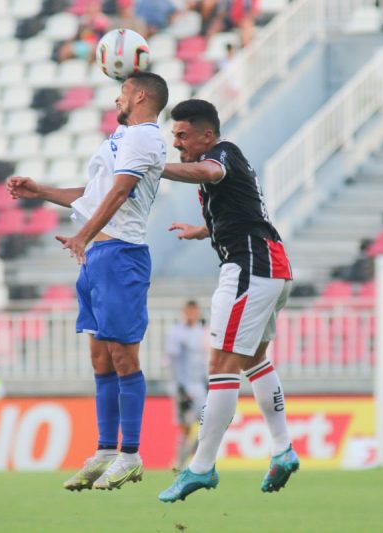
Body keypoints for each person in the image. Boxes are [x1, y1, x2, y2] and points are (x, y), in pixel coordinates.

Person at [6, 71, 169, 491]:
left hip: (121, 256)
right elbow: (97, 193)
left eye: (122, 92)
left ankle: (130, 454)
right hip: (98, 256)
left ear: (140, 95)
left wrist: (82, 234)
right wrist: (41, 191)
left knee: (123, 358)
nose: (117, 98)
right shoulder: (121, 139)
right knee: (100, 359)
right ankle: (104, 450)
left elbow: (118, 194)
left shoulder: (144, 136)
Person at [156, 99, 298, 503]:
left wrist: (153, 168)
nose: (177, 143)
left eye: (183, 135)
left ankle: (200, 466)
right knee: (253, 359)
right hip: (271, 265)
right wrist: (203, 231)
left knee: (220, 365)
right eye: (174, 136)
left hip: (250, 268)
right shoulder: (223, 162)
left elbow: (208, 170)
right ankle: (282, 448)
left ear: (206, 134)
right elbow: (242, 210)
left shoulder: (222, 154)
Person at [165, 300, 208, 470]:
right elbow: (173, 361)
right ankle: (179, 462)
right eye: (188, 311)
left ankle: (195, 456)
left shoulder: (203, 331)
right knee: (185, 426)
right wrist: (180, 386)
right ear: (184, 312)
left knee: (208, 422)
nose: (191, 314)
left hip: (200, 384)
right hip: (183, 385)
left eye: (194, 311)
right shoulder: (176, 333)